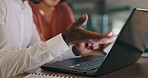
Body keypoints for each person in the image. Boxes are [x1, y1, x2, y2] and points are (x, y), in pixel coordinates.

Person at [0, 0, 116, 78]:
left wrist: (74, 50)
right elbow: (2, 67)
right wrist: (65, 39)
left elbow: (40, 54)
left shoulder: (26, 8)